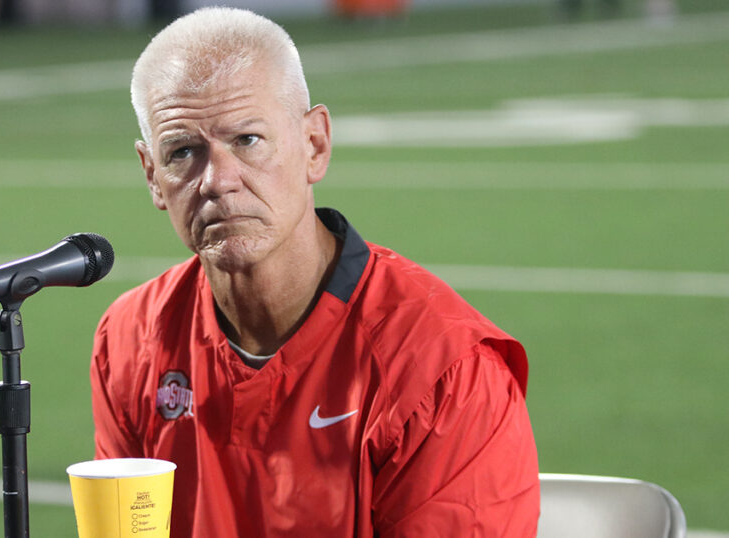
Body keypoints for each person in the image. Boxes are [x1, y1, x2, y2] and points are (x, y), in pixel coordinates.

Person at [90, 7, 539, 537]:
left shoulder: (443, 371)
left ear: (314, 145)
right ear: (152, 177)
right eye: (183, 152)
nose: (218, 180)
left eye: (247, 140)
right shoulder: (131, 339)